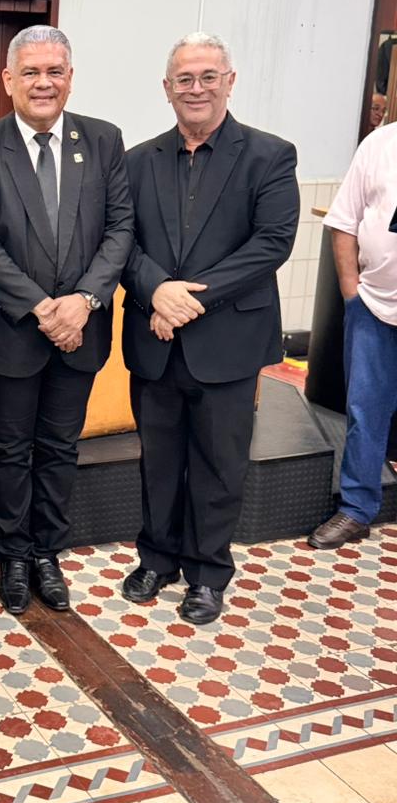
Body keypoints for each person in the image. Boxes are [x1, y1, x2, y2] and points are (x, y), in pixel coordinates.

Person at [121, 32, 299, 625]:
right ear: (166, 88)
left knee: (220, 464)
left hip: (227, 341)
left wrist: (185, 300)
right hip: (154, 339)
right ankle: (156, 559)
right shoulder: (137, 161)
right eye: (184, 79)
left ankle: (206, 573)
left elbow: (270, 244)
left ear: (230, 81)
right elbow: (122, 242)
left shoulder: (270, 155)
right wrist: (156, 290)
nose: (196, 88)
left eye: (207, 76)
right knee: (158, 459)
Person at [0, 25, 134, 615]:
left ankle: (46, 553)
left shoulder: (104, 140)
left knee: (59, 448)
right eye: (30, 72)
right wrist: (41, 307)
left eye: (55, 71)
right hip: (12, 331)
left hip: (83, 328)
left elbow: (121, 228)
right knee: (9, 450)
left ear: (71, 78)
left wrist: (84, 300)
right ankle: (12, 554)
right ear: (8, 79)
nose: (43, 82)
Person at [307, 119, 397, 548]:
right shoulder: (380, 144)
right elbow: (343, 222)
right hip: (373, 307)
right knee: (365, 410)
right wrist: (351, 294)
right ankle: (357, 510)